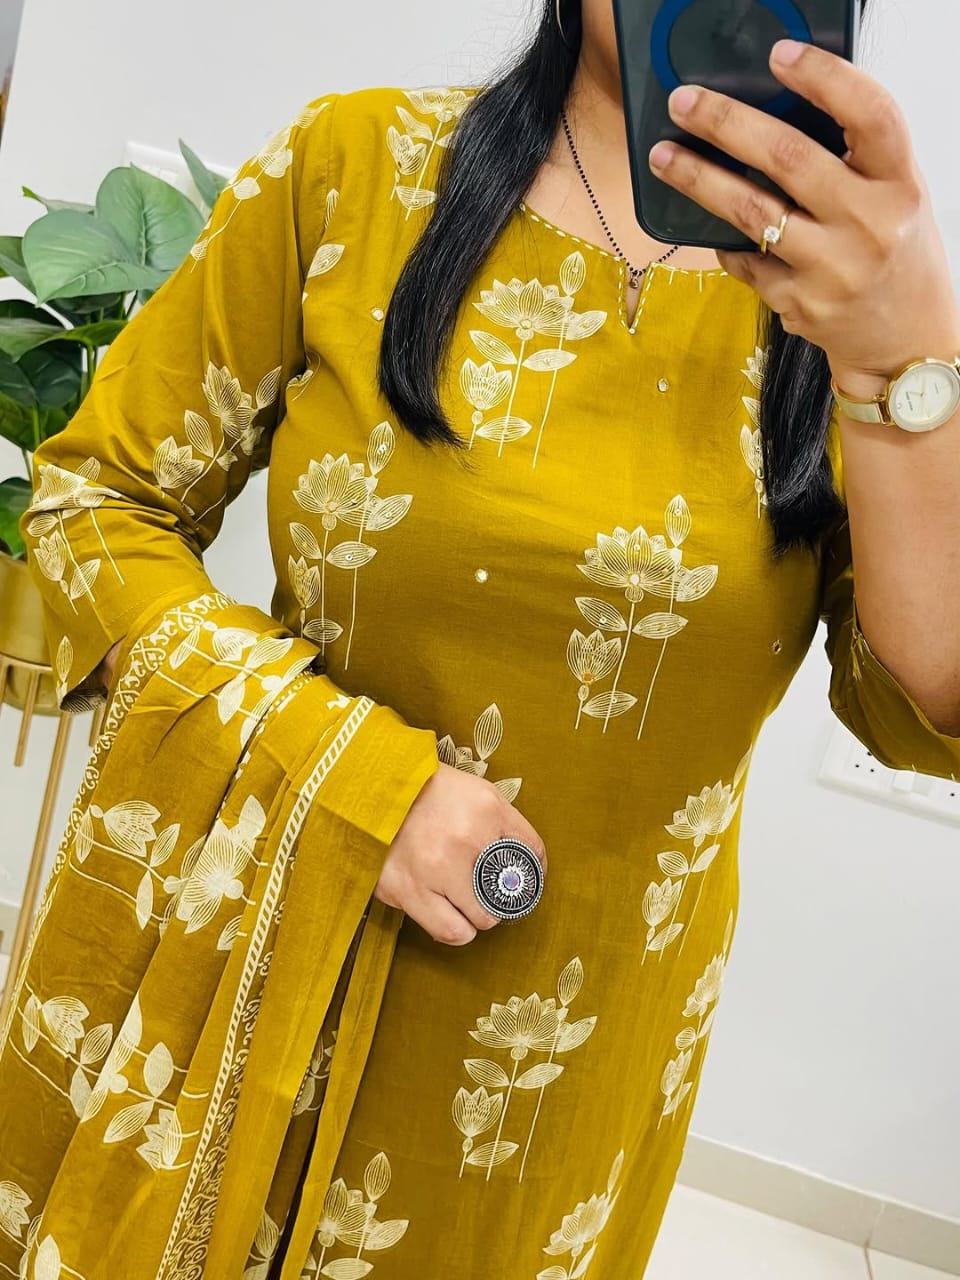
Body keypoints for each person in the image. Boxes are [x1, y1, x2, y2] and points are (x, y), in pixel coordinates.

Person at [2, 0, 959, 1276]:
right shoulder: (354, 171)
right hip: (253, 971)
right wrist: (351, 776)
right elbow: (97, 498)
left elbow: (930, 707)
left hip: (565, 1070)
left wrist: (905, 370)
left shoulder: (854, 311)